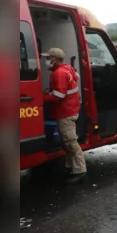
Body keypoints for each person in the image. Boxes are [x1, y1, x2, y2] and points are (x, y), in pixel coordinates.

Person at [42, 48, 85, 184]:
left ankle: (80, 170)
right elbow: (76, 78)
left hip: (65, 112)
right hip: (71, 110)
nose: (46, 61)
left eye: (48, 58)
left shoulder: (59, 73)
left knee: (70, 142)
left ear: (54, 59)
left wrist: (41, 98)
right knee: (67, 142)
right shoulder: (68, 69)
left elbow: (59, 95)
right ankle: (71, 166)